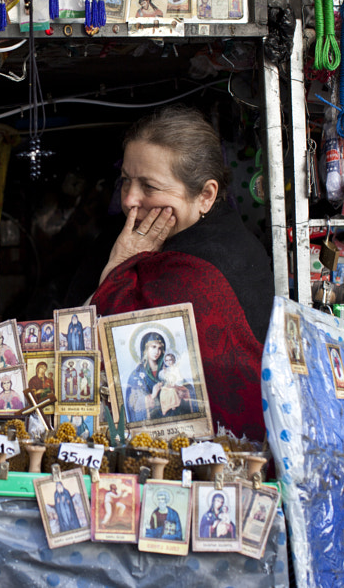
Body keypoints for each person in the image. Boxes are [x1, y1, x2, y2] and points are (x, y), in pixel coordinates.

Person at [92, 106, 274, 442]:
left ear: (205, 195)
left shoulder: (208, 263)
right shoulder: (160, 247)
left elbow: (100, 349)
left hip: (221, 458)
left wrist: (119, 268)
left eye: (149, 186)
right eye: (126, 181)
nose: (130, 199)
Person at [125, 332, 196, 421]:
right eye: (153, 347)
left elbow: (186, 386)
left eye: (159, 348)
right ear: (145, 349)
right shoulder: (137, 375)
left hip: (175, 418)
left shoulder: (169, 369)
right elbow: (132, 402)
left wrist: (180, 390)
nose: (157, 351)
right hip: (152, 424)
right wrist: (152, 396)